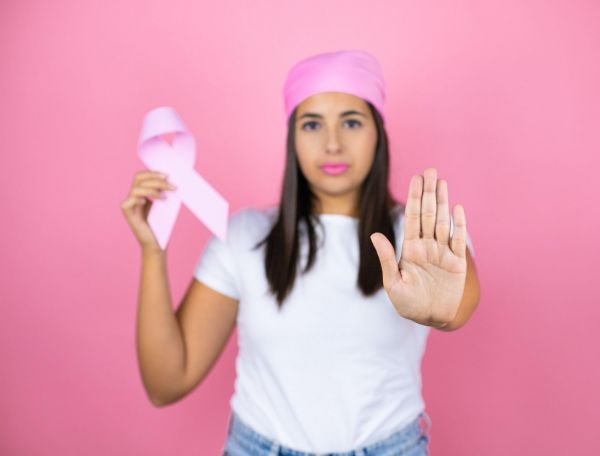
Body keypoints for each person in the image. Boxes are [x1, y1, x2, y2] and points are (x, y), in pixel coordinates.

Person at [120, 49, 481, 456]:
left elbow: (457, 306)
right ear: (292, 137)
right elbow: (166, 382)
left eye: (351, 122)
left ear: (377, 133)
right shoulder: (242, 237)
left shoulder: (422, 236)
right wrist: (153, 251)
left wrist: (440, 310)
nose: (332, 144)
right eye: (312, 124)